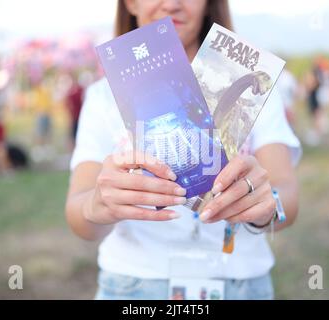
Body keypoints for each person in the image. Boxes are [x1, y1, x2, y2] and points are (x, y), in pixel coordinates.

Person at [65, 0, 302, 300]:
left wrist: (267, 205)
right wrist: (96, 205)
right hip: (134, 285)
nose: (172, 3)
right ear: (131, 3)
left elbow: (287, 201)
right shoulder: (102, 97)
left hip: (240, 282)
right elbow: (78, 216)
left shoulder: (250, 83)